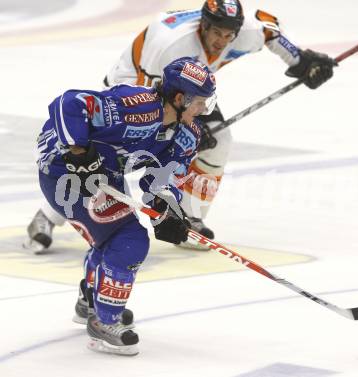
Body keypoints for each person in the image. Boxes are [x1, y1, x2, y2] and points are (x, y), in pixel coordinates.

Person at [26, 0, 335, 252]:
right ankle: (49, 213)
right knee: (115, 160)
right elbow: (151, 101)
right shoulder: (171, 44)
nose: (221, 41)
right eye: (216, 32)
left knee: (220, 140)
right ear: (203, 24)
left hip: (189, 88)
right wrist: (182, 130)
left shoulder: (242, 33)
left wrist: (300, 60)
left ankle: (189, 216)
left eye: (229, 34)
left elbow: (268, 28)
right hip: (138, 85)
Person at [36, 57, 217, 355]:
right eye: (200, 103)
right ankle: (103, 322)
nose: (203, 111)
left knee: (113, 235)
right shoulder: (138, 106)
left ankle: (92, 301)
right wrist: (80, 153)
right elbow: (68, 104)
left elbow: (165, 177)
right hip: (62, 170)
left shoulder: (187, 134)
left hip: (103, 175)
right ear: (180, 98)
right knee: (130, 238)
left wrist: (168, 210)